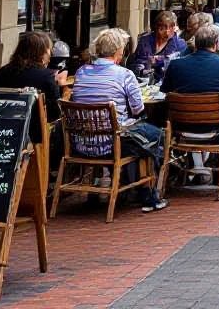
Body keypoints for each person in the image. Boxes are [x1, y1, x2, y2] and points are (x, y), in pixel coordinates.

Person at [71, 28, 168, 211]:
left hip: (81, 142)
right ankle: (147, 193)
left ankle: (113, 188)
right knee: (156, 136)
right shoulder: (124, 74)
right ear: (118, 51)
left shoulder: (81, 72)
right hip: (111, 143)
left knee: (140, 134)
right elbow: (138, 109)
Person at [161, 24, 219, 189]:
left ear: (196, 44)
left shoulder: (176, 65)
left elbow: (165, 91)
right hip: (218, 129)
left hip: (182, 128)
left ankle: (185, 169)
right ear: (217, 44)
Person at [0, 32, 65, 161]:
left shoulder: (2, 72)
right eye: (48, 50)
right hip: (35, 135)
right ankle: (55, 168)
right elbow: (54, 113)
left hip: (3, 132)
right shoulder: (47, 77)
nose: (50, 54)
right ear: (41, 52)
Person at [129, 10, 188, 81]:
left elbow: (181, 67)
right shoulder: (145, 40)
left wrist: (160, 61)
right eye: (163, 28)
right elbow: (136, 62)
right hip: (144, 81)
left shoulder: (180, 44)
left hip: (168, 82)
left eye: (171, 27)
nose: (167, 32)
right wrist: (143, 69)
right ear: (156, 27)